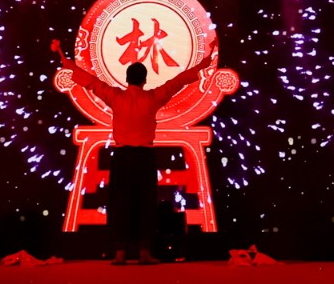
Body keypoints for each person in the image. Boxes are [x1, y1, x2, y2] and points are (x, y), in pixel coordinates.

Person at [53, 32, 217, 264]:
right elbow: (179, 81)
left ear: (127, 79)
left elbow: (90, 82)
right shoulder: (153, 97)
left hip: (122, 157)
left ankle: (120, 253)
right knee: (144, 203)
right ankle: (143, 252)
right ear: (144, 80)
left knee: (120, 203)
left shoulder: (115, 96)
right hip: (143, 157)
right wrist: (204, 63)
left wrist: (67, 62)